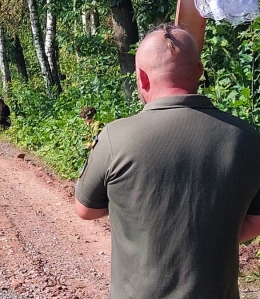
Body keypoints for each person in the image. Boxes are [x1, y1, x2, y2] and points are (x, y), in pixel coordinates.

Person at [75, 23, 260, 298]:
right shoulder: (247, 139)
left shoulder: (115, 137)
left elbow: (86, 209)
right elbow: (255, 223)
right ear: (199, 71)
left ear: (141, 78)